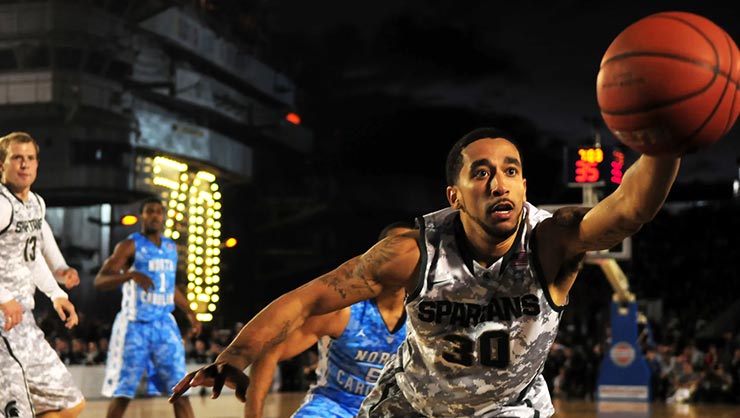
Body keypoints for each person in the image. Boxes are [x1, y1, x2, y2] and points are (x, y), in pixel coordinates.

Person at [171, 127, 681, 417]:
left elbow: (630, 208)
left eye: (510, 170)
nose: (498, 182)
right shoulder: (411, 252)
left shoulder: (553, 240)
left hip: (506, 410)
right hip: (412, 404)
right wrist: (234, 354)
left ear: (524, 186)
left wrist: (667, 141)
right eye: (481, 172)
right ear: (455, 195)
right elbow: (309, 299)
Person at [244, 222, 412, 418]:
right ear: (375, 257)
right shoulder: (343, 310)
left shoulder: (426, 316)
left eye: (409, 251)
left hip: (392, 411)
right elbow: (270, 351)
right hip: (334, 407)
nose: (401, 257)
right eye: (394, 249)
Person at [0, 131, 86, 417]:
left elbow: (33, 257)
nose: (24, 164)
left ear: (37, 164)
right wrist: (3, 297)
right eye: (17, 158)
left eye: (30, 158)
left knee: (69, 404)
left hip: (22, 324)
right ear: (2, 164)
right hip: (1, 326)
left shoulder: (35, 203)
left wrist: (57, 293)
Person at [94, 197, 202, 418]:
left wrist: (190, 312)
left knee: (181, 389)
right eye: (150, 211)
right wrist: (130, 274)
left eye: (158, 212)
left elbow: (170, 287)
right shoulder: (130, 245)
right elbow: (100, 281)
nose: (154, 215)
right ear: (142, 216)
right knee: (123, 393)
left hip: (164, 325)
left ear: (163, 216)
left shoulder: (171, 247)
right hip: (135, 326)